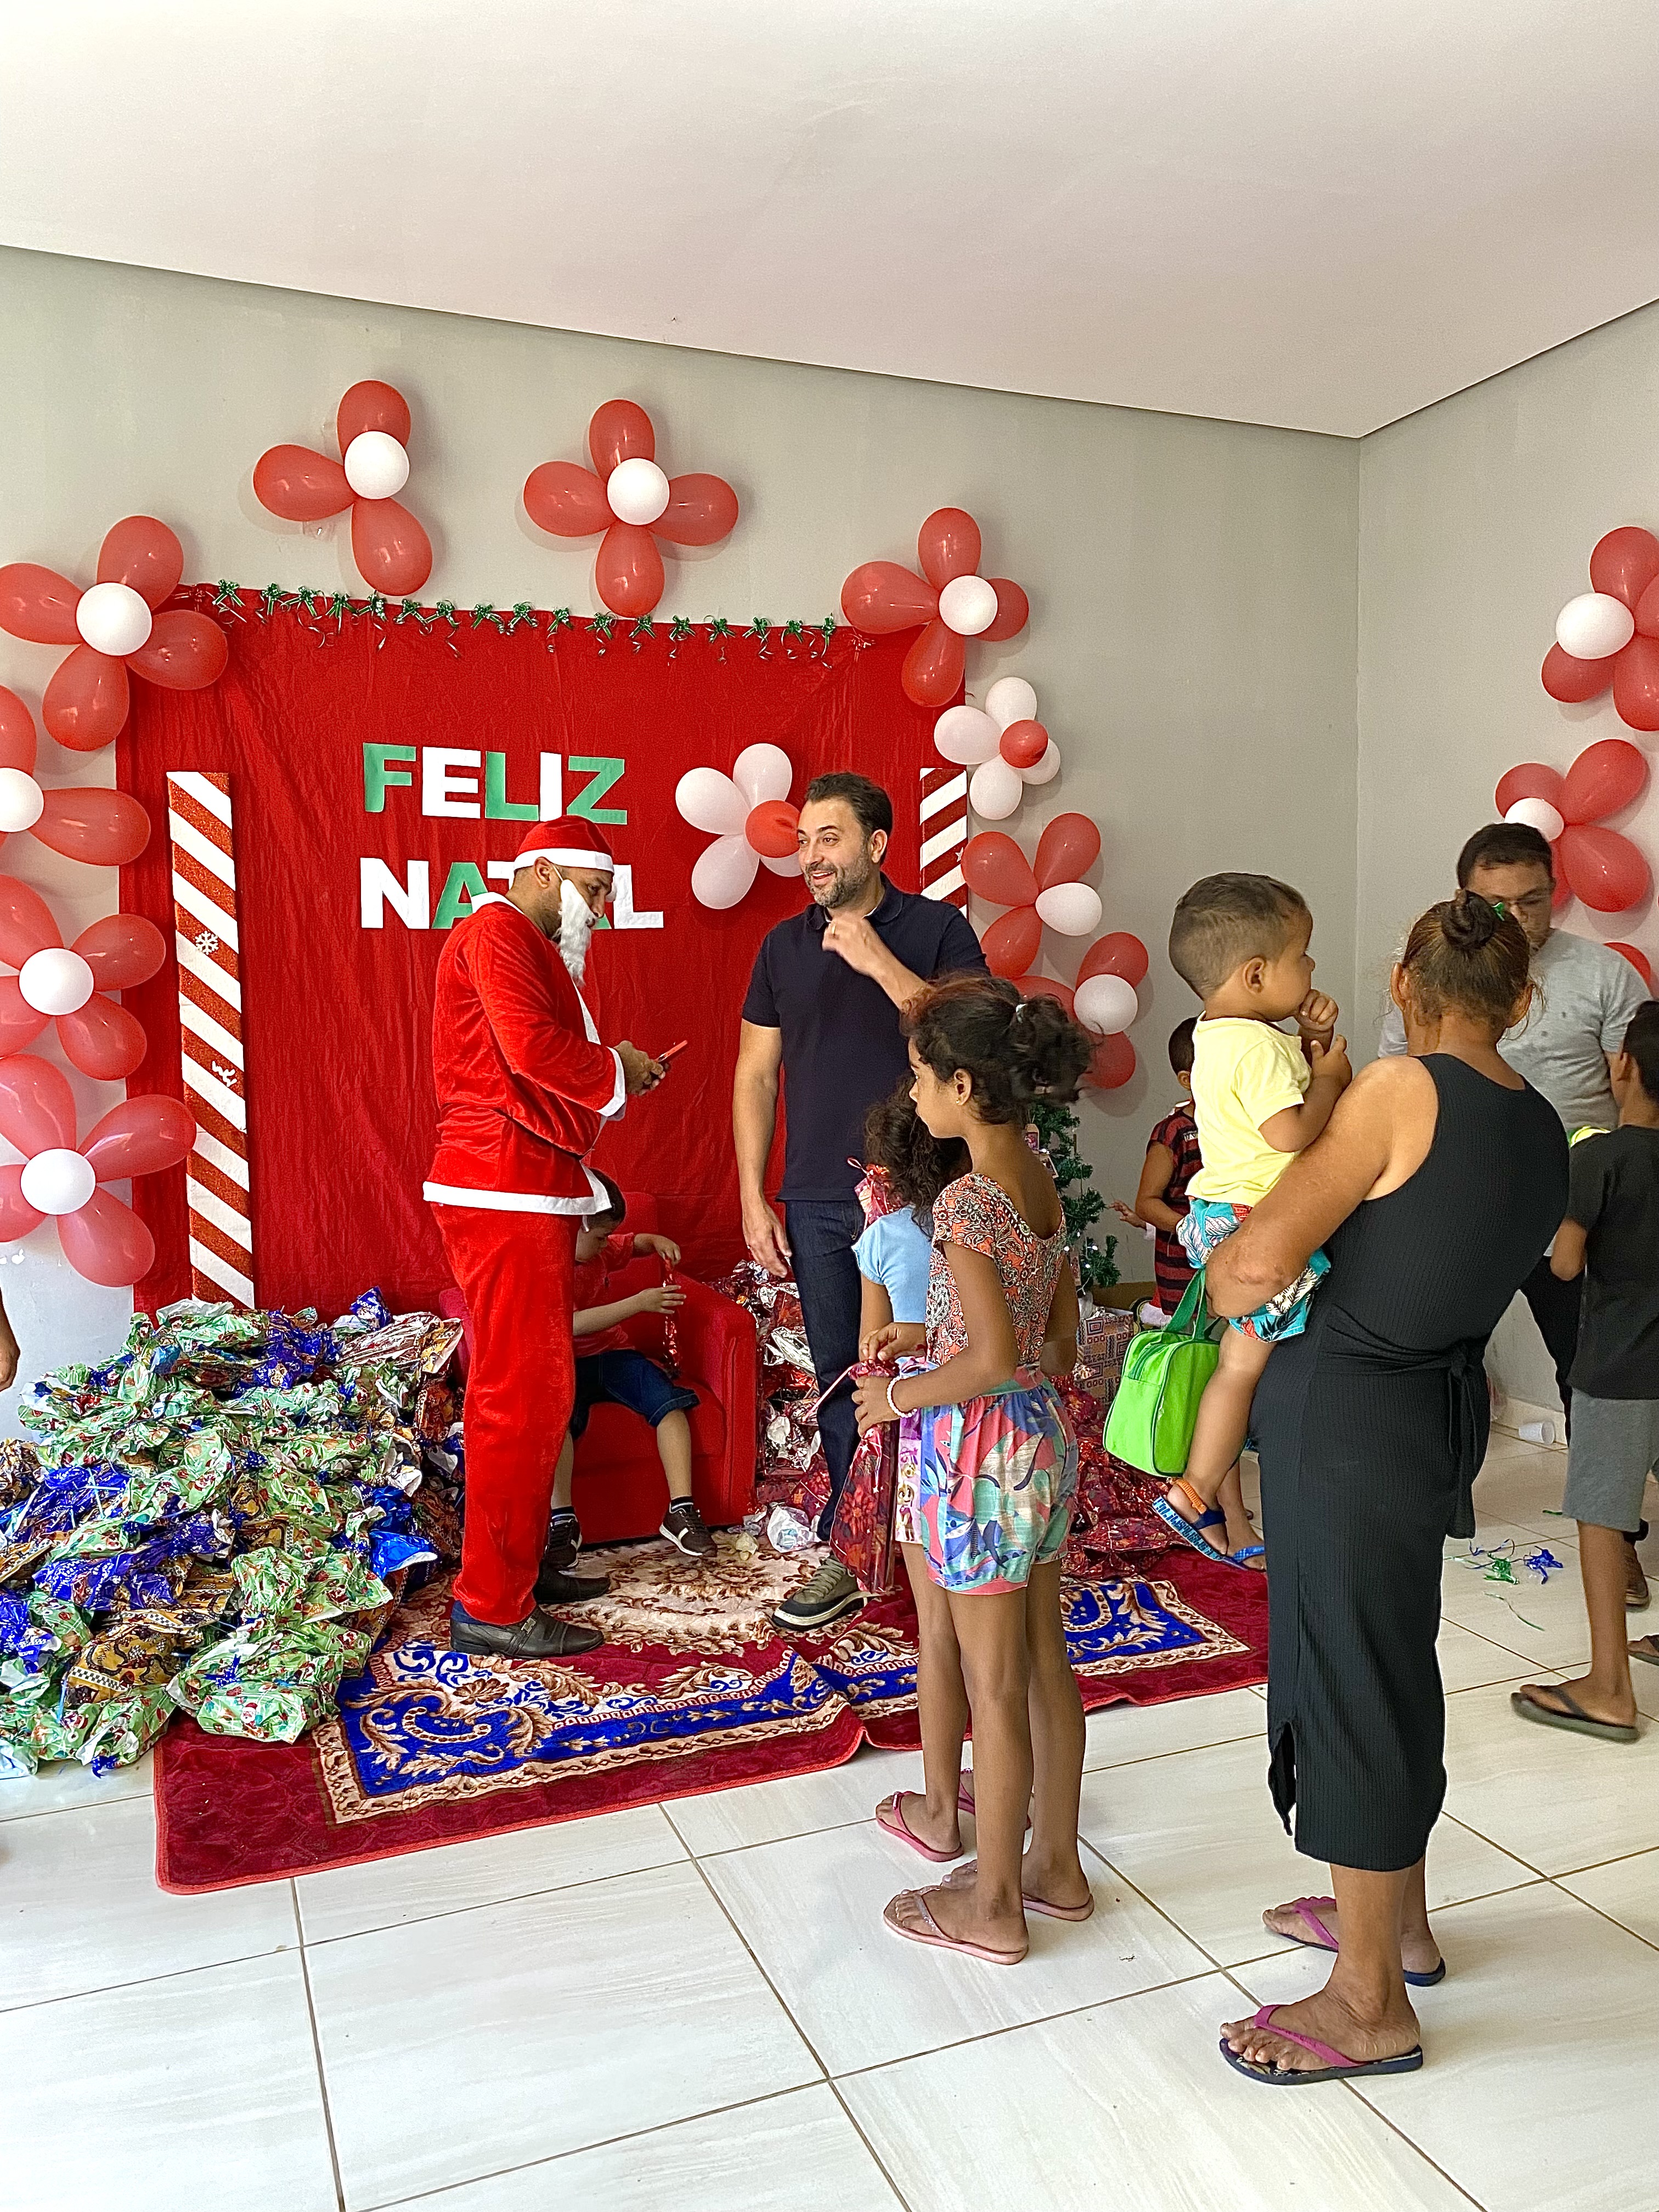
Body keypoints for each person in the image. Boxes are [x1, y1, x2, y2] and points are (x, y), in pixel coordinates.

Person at [1207, 891, 1566, 2084]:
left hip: (1349, 1419)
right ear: (1522, 1000)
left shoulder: (1398, 1089)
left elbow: (1253, 1269)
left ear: (1403, 984)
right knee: (1390, 1660)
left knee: (1347, 1675)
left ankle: (1366, 2000)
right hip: (1430, 1414)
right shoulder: (1539, 1121)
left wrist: (1227, 1255)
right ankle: (1393, 1923)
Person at [856, 976, 1093, 1966]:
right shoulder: (1035, 1178)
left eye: (921, 1077)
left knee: (991, 1684)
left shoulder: (964, 1200)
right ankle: (1055, 1866)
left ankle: (994, 1905)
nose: (913, 1096)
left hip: (978, 1458)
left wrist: (899, 1395)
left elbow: (989, 1360)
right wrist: (932, 1334)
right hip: (1039, 1441)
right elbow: (1048, 1343)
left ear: (962, 1083)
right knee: (1043, 1663)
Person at [733, 771, 986, 1634]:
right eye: (804, 841)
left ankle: (943, 1541)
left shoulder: (938, 930)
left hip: (923, 1192)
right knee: (844, 1373)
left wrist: (875, 958)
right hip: (816, 1195)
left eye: (829, 838)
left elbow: (970, 1040)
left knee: (933, 1364)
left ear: (876, 846)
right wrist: (752, 1195)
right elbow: (755, 1075)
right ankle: (854, 1552)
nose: (811, 856)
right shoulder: (780, 946)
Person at [425, 817, 665, 1661]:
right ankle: (492, 1602)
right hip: (502, 1184)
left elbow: (526, 1060)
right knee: (519, 1397)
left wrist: (615, 1070)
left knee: (535, 1392)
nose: (598, 909)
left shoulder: (518, 940)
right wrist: (618, 1069)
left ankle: (514, 1575)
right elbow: (532, 1051)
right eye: (592, 890)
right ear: (539, 872)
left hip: (521, 1183)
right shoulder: (498, 932)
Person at [1379, 824, 1646, 1479]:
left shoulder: (1603, 974)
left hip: (1572, 1214)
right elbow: (1398, 1086)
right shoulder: (1432, 978)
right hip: (1457, 1207)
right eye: (1497, 904)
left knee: (1588, 1370)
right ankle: (1433, 1499)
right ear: (1463, 899)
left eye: (1532, 900)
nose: (1518, 918)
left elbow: (1638, 1099)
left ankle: (1607, 1521)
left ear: (1555, 891)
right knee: (1434, 1360)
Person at [1154, 874, 1349, 1565]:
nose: (1313, 966)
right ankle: (1196, 1489)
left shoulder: (1217, 1034)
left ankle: (1199, 1488)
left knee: (1235, 1365)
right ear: (1258, 974)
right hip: (1256, 1223)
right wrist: (1331, 1077)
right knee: (1240, 1370)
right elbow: (1289, 1132)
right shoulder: (1260, 1048)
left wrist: (1310, 1038)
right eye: (1303, 954)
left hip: (1219, 1212)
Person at [1511, 1000, 1659, 1741]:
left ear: (1623, 1066)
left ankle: (1608, 1688)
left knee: (1602, 1515)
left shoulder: (1600, 1156)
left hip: (1619, 1365)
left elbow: (1565, 1263)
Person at [855, 1081, 977, 1860]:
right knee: (1007, 1648)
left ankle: (938, 1810)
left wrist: (903, 1350)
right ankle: (1000, 1783)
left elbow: (871, 1355)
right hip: (997, 1441)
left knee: (937, 1631)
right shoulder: (998, 1219)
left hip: (924, 1438)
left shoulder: (884, 1239)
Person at [1113, 1017, 1261, 1566]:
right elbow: (1148, 1201)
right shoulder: (1176, 1132)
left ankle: (1218, 1507)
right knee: (1212, 1385)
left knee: (1229, 1386)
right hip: (1190, 1281)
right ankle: (1226, 1514)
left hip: (1240, 1273)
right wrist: (1200, 1233)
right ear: (1187, 1079)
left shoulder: (1242, 1126)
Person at [542, 1171, 713, 1564]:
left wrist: (655, 1241)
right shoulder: (549, 1266)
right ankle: (563, 1520)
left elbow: (632, 1244)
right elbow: (568, 1325)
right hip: (566, 1362)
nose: (607, 1243)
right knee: (556, 1424)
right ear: (573, 1226)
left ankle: (681, 1509)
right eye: (601, 1236)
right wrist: (638, 1303)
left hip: (615, 1355)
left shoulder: (598, 1250)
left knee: (669, 1405)